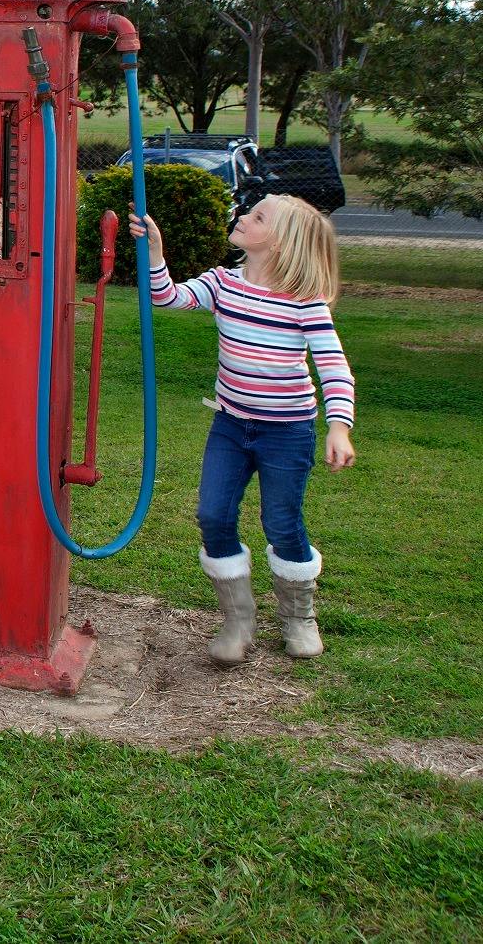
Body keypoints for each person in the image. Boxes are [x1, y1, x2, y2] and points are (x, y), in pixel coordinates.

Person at [130, 196, 354, 667]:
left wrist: (338, 426)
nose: (243, 218)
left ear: (280, 243)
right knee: (213, 515)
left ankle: (298, 618)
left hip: (287, 432)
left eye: (257, 218)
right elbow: (169, 297)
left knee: (281, 521)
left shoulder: (304, 302)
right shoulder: (222, 283)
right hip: (231, 425)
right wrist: (155, 254)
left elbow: (333, 365)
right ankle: (238, 619)